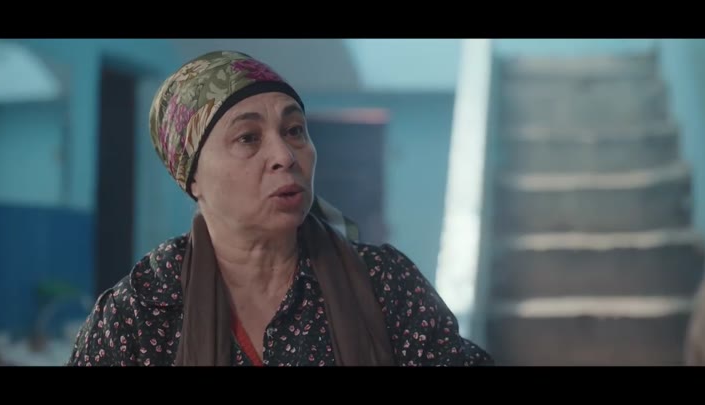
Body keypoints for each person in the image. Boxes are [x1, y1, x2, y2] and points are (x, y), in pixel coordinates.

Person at [67, 50, 493, 366]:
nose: (285, 156)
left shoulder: (384, 284)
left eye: (294, 130)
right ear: (192, 176)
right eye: (248, 138)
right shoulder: (141, 313)